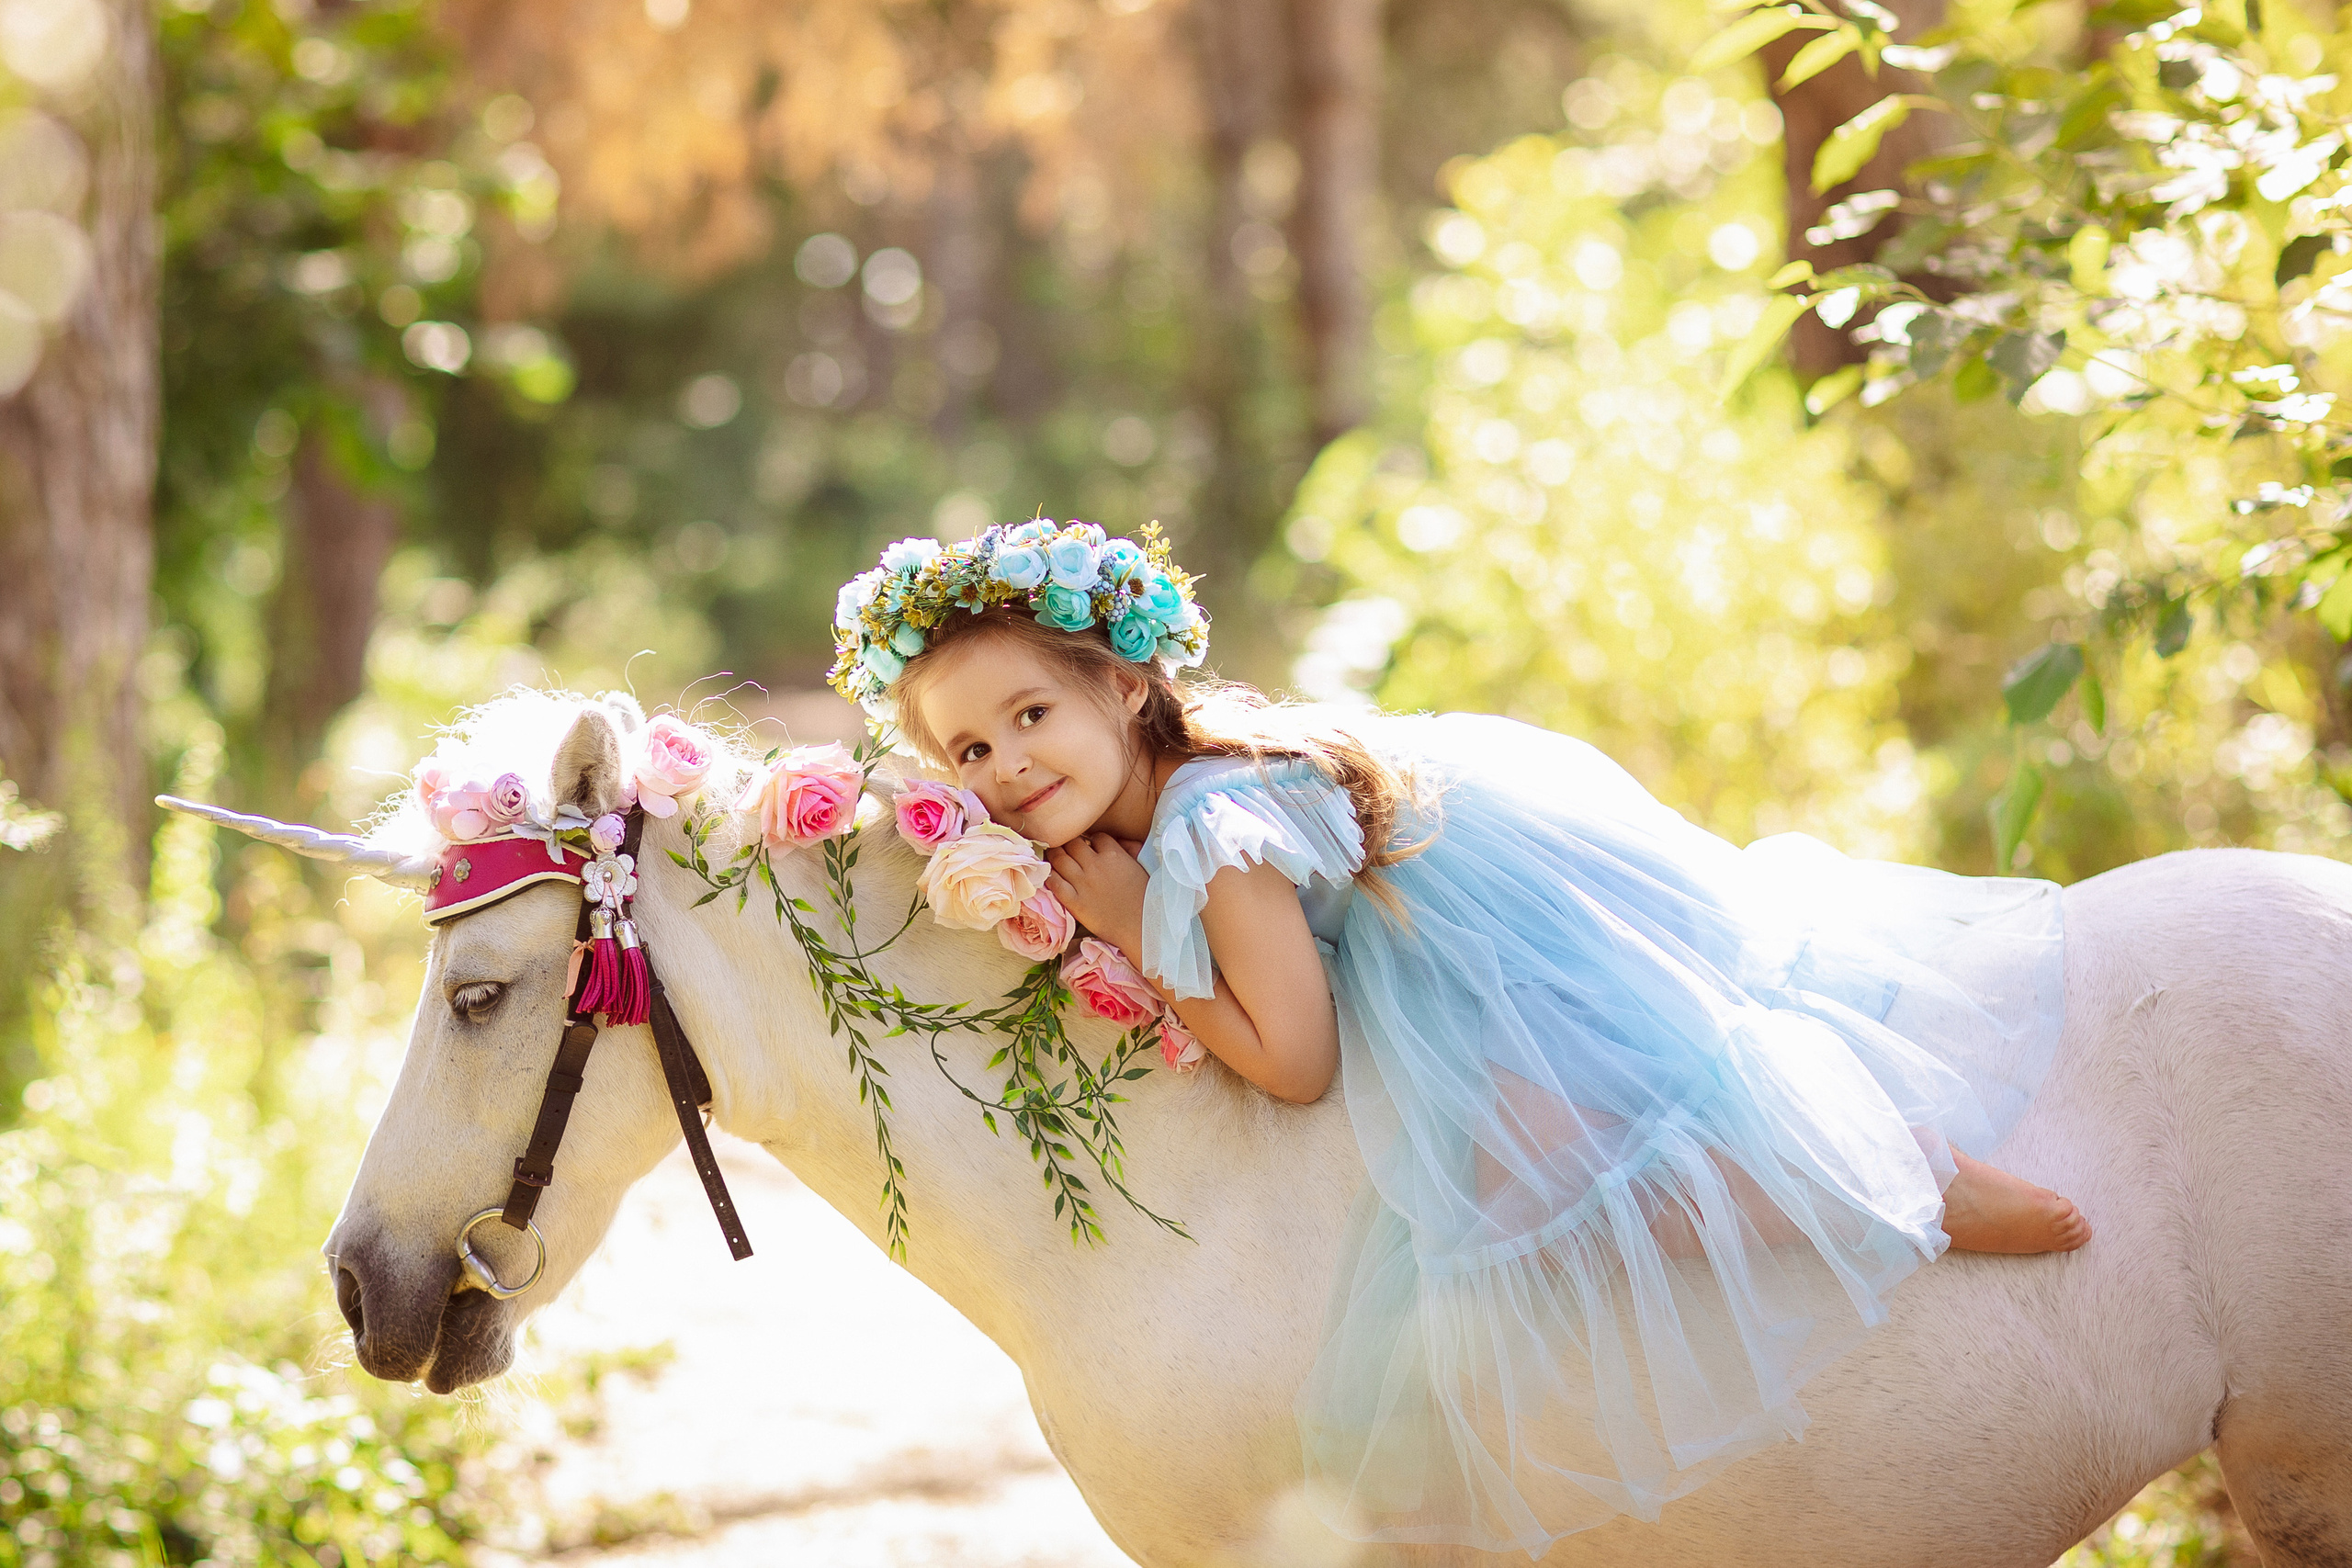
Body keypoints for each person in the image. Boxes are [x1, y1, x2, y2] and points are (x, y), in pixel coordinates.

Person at [829, 522, 2089, 1553]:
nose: (1005, 766)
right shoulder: (1181, 794)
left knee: (1577, 1154)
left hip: (1474, 952)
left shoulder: (1213, 827)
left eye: (1033, 714)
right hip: (1445, 923)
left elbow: (1296, 1062)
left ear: (1120, 680)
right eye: (971, 750)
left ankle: (1902, 1182)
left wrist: (1143, 947)